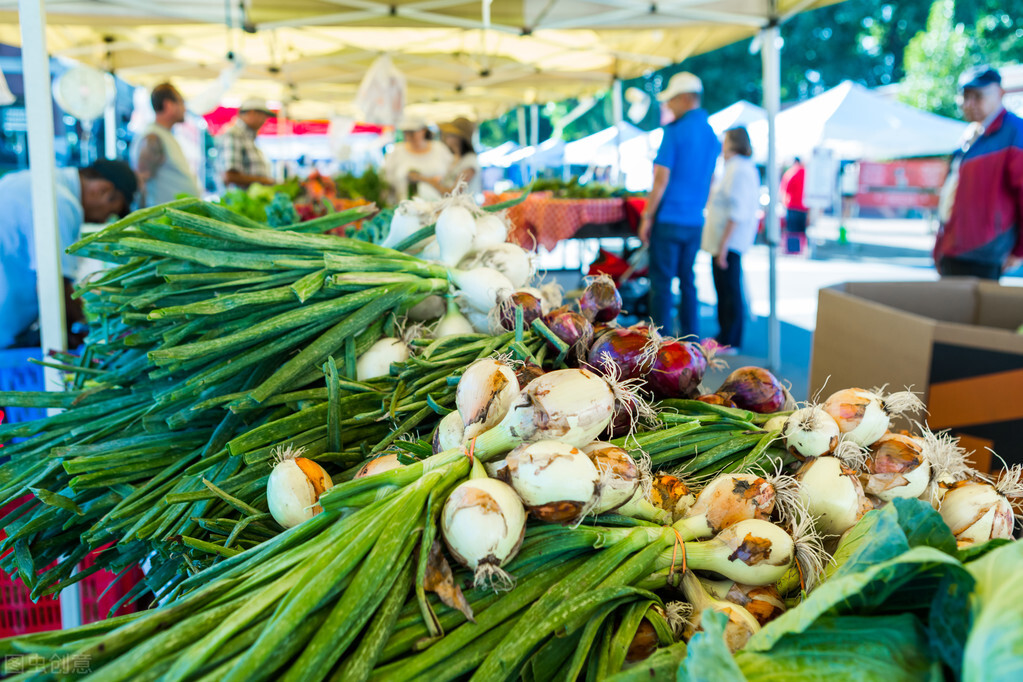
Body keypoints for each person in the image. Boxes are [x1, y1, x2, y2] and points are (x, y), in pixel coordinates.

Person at [0, 161, 137, 349]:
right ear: (103, 190)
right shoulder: (60, 202)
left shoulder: (29, 180)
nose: (103, 220)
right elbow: (55, 285)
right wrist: (84, 328)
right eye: (111, 213)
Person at [638, 72, 720, 338]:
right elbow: (710, 180)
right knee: (688, 282)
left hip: (669, 219)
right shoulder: (711, 135)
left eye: (671, 101)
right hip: (694, 221)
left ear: (685, 98)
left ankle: (659, 343)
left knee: (661, 284)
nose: (668, 106)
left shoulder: (673, 132)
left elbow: (661, 179)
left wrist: (647, 216)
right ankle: (691, 341)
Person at [935, 65, 1023, 279]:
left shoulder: (1015, 132)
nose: (969, 104)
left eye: (978, 96)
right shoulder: (969, 135)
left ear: (1000, 93)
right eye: (965, 96)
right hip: (953, 248)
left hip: (985, 253)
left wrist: (1019, 250)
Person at [701, 127, 760, 354]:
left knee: (729, 290)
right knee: (725, 289)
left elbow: (737, 211)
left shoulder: (739, 170)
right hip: (725, 241)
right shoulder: (736, 168)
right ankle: (725, 335)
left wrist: (724, 246)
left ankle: (730, 339)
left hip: (729, 242)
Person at [130, 82, 200, 206]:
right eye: (181, 102)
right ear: (168, 105)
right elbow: (141, 181)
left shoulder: (163, 134)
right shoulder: (153, 137)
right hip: (163, 220)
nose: (185, 108)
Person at [382, 116, 453, 203]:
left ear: (423, 131)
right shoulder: (396, 152)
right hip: (406, 206)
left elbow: (452, 174)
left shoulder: (439, 148)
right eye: (406, 132)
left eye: (412, 132)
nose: (409, 136)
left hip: (439, 204)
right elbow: (387, 181)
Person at [410, 117, 481, 197]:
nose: (446, 135)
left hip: (464, 208)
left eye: (451, 133)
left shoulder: (469, 161)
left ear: (459, 137)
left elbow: (454, 192)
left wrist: (427, 180)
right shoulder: (455, 159)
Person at [217, 98, 276, 190]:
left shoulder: (248, 137)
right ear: (252, 113)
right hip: (240, 202)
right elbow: (230, 176)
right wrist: (265, 181)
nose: (264, 121)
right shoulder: (234, 134)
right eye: (264, 116)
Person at [780, 157, 808, 254]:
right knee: (801, 229)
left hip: (792, 205)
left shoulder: (790, 173)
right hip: (804, 206)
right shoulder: (806, 173)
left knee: (792, 230)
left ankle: (793, 250)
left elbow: (785, 190)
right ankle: (801, 250)